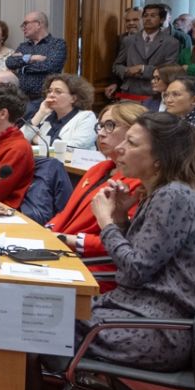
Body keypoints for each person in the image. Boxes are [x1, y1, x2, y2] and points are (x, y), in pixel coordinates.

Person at [78, 112, 195, 371]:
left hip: (156, 328)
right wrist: (119, 218)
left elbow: (136, 269)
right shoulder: (161, 193)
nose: (120, 148)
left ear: (159, 159)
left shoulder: (174, 196)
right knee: (41, 309)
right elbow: (144, 257)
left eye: (132, 143)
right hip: (131, 312)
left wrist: (105, 221)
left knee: (40, 318)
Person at [45, 101, 147, 291]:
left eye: (110, 126)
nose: (101, 133)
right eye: (100, 126)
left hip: (93, 266)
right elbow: (66, 213)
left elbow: (125, 243)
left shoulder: (139, 183)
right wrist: (45, 231)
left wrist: (63, 239)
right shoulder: (98, 168)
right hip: (63, 253)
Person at [6, 11, 67, 115]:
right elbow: (10, 62)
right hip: (20, 98)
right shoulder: (23, 46)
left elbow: (50, 66)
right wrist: (32, 58)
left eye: (26, 24)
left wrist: (23, 67)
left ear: (38, 24)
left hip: (43, 99)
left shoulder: (57, 44)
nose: (23, 27)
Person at [22, 73, 99, 151]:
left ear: (73, 98)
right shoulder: (46, 115)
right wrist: (40, 113)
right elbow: (20, 140)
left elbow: (77, 146)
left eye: (58, 92)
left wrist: (40, 140)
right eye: (49, 91)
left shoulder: (86, 117)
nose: (51, 95)